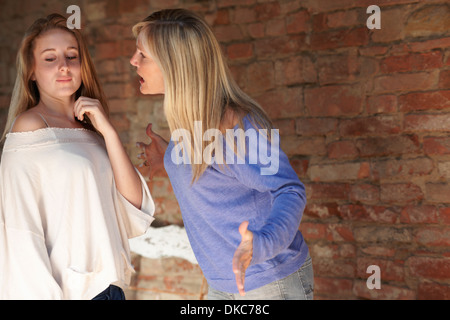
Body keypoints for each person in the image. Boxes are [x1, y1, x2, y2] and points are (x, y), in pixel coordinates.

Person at [132, 9, 313, 300]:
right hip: (222, 282)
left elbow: (289, 190)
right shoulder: (192, 122)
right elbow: (217, 176)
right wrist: (169, 158)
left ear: (174, 65)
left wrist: (261, 244)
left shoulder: (235, 126)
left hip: (265, 282)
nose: (133, 61)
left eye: (143, 55)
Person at [0, 14, 155, 300]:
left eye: (72, 56)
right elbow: (20, 229)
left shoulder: (93, 130)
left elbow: (134, 208)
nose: (64, 65)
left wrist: (108, 131)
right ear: (31, 71)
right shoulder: (30, 127)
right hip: (71, 293)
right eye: (50, 58)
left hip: (111, 288)